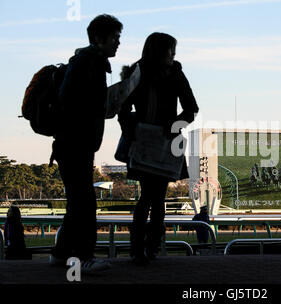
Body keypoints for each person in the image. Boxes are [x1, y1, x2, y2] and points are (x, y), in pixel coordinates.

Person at [118, 32, 199, 265]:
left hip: (152, 142)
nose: (173, 56)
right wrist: (171, 127)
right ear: (159, 52)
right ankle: (148, 247)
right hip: (153, 142)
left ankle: (142, 248)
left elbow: (191, 109)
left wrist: (135, 126)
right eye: (170, 52)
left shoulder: (147, 71)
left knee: (149, 197)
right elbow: (190, 111)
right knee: (154, 197)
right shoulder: (163, 73)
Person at [50, 14, 122, 272]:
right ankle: (83, 257)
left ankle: (60, 254)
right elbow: (71, 101)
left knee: (77, 202)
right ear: (99, 38)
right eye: (115, 37)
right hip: (76, 142)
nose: (118, 43)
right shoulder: (89, 62)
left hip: (72, 142)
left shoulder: (86, 61)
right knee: (85, 202)